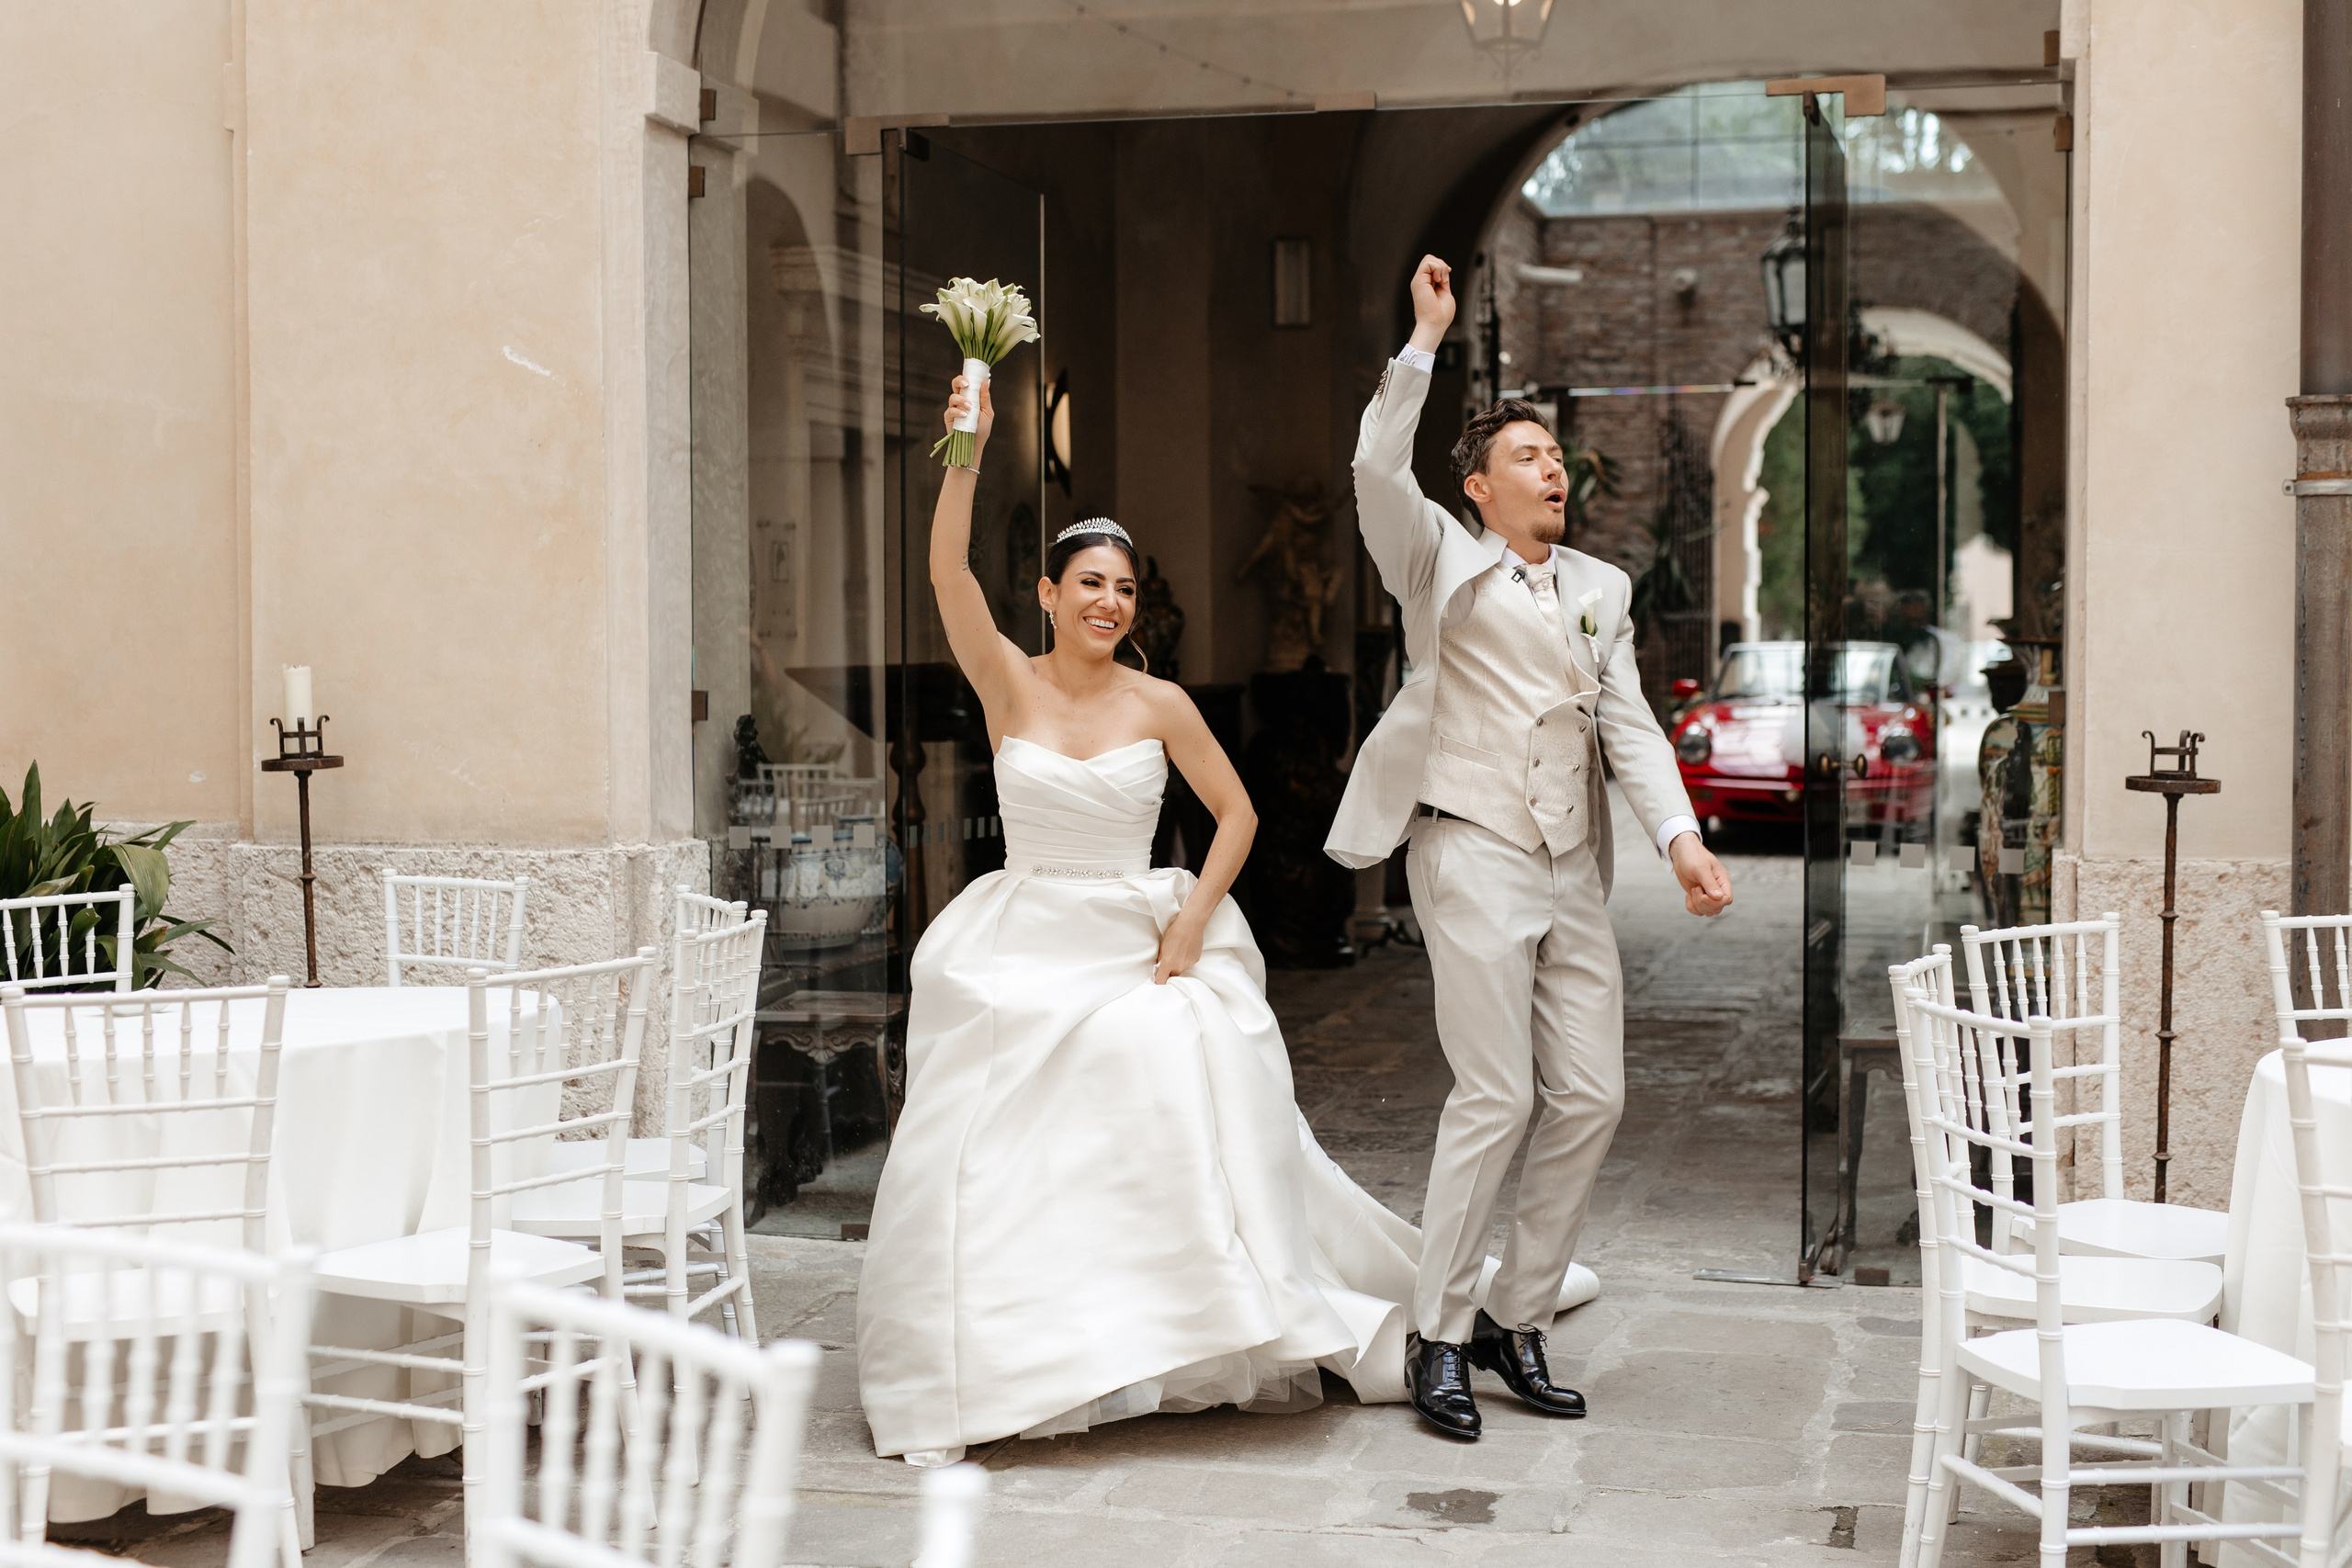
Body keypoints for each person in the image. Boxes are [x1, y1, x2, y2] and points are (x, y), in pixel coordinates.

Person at [855, 373, 1598, 1466]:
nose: (1110, 602)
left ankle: (1185, 1326)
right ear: (1049, 597)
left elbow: (1239, 813)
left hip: (1133, 935)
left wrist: (1193, 918)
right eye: (1089, 585)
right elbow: (942, 570)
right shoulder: (1007, 684)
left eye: (1124, 588)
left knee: (1170, 1046)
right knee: (987, 1111)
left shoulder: (1159, 703)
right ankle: (1009, 1351)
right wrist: (965, 440)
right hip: (1023, 933)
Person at [1328, 254, 1736, 1440]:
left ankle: (1514, 1313)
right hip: (1470, 850)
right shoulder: (1433, 558)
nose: (1552, 466)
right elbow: (1369, 466)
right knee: (1495, 1092)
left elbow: (1630, 726)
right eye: (1526, 454)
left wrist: (1681, 839)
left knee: (1594, 1094)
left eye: (1557, 454)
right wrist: (1422, 343)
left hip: (1571, 865)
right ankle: (1438, 1333)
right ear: (1476, 486)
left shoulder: (1601, 587)